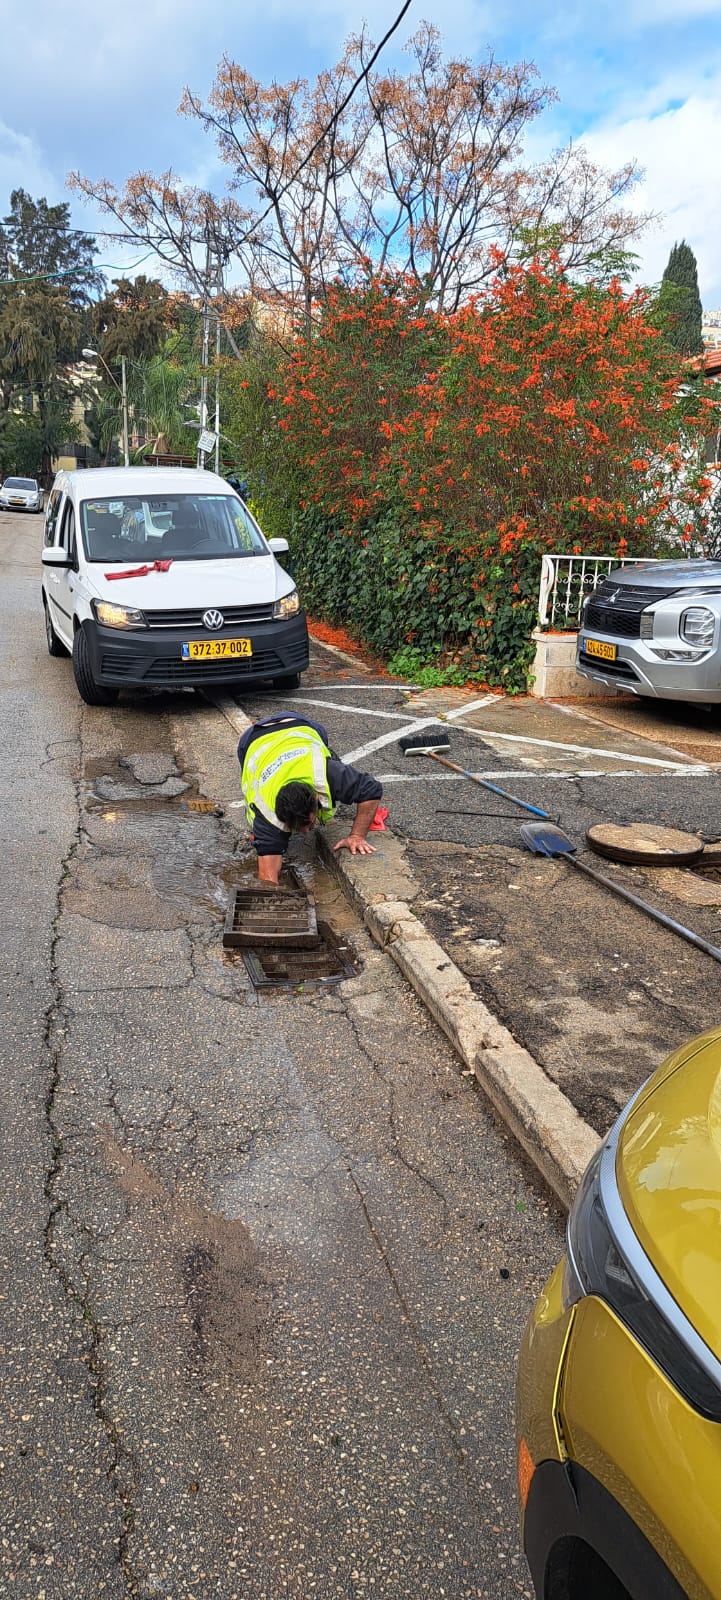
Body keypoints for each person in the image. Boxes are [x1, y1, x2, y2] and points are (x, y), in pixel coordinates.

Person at [238, 713, 383, 884]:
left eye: (307, 823)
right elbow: (268, 877)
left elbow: (371, 789)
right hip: (253, 739)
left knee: (326, 751)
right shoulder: (266, 814)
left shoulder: (328, 774)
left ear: (315, 798)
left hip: (299, 725)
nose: (306, 831)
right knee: (265, 840)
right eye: (296, 826)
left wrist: (357, 836)